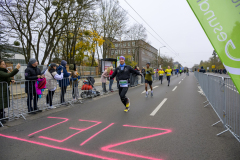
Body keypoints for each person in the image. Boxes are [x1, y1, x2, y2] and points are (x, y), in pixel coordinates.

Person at [0, 60, 20, 125]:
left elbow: (7, 77)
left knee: (2, 105)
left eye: (4, 64)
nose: (4, 65)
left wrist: (11, 79)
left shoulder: (3, 71)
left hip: (4, 91)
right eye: (3, 64)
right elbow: (9, 74)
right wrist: (16, 68)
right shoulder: (0, 72)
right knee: (0, 105)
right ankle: (0, 119)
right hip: (1, 91)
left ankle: (2, 117)